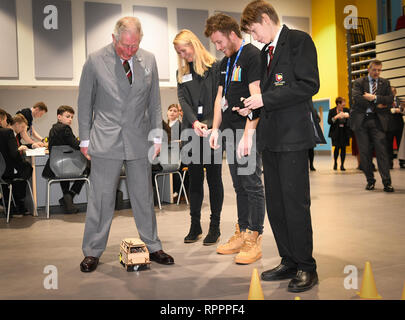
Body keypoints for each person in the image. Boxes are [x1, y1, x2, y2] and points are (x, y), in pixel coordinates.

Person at [77, 16, 174, 273]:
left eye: (134, 46)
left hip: (139, 139)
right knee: (101, 198)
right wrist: (85, 139)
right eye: (125, 46)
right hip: (105, 139)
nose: (130, 51)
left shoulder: (149, 59)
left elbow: (154, 103)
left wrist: (156, 136)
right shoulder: (95, 60)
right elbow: (85, 102)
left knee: (144, 196)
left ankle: (153, 246)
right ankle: (92, 251)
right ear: (114, 38)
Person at [240, 0, 319, 292]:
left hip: (294, 138)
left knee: (295, 203)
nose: (253, 37)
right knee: (276, 204)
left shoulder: (298, 40)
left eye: (253, 30)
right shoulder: (264, 53)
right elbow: (267, 94)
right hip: (271, 140)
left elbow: (309, 85)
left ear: (265, 18)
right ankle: (289, 260)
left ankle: (306, 266)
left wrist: (265, 99)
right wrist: (250, 107)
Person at [205, 13, 266, 265]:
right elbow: (220, 98)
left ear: (232, 34)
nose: (218, 47)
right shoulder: (223, 63)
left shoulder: (252, 55)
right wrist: (216, 129)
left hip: (247, 130)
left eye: (220, 42)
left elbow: (256, 95)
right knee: (239, 185)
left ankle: (255, 236)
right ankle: (242, 232)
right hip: (229, 131)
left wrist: (249, 134)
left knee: (252, 184)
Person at [174, 29, 224, 245]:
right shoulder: (183, 73)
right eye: (179, 53)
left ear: (193, 44)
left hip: (213, 130)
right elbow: (182, 100)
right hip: (192, 130)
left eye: (184, 50)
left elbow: (219, 98)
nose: (183, 56)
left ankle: (215, 226)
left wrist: (211, 125)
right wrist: (194, 122)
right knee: (195, 180)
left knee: (214, 179)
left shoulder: (216, 67)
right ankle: (195, 225)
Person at [351, 60, 394, 192]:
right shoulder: (359, 82)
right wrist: (377, 104)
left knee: (382, 153)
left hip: (378, 122)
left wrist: (373, 98)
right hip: (361, 122)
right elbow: (357, 98)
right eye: (374, 70)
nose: (377, 73)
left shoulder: (385, 83)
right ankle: (370, 181)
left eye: (379, 70)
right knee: (364, 154)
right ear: (369, 69)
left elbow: (389, 99)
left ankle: (387, 183)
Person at [42, 105, 90, 214]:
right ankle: (69, 195)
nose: (70, 119)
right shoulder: (65, 128)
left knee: (65, 171)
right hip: (67, 167)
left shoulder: (52, 129)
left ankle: (66, 198)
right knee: (87, 168)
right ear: (59, 116)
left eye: (72, 117)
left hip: (55, 168)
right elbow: (76, 145)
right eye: (68, 116)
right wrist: (86, 143)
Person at [0, 108, 33, 217]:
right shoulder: (7, 132)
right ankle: (20, 205)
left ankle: (10, 206)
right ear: (3, 119)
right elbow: (14, 154)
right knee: (27, 169)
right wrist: (20, 151)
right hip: (6, 171)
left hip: (1, 170)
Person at [328, 97, 351, 171]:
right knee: (337, 148)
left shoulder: (347, 110)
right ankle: (335, 163)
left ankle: (342, 165)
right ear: (338, 103)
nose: (344, 104)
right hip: (335, 132)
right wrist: (336, 117)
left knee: (343, 148)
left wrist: (348, 117)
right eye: (343, 102)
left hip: (344, 132)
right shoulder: (332, 111)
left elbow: (351, 120)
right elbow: (329, 122)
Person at [386, 87, 404, 168]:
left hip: (399, 125)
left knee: (401, 144)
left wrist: (400, 109)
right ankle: (390, 162)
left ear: (395, 92)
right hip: (389, 125)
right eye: (390, 91)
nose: (392, 93)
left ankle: (402, 161)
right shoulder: (385, 101)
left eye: (393, 91)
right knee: (389, 144)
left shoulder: (400, 101)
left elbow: (403, 110)